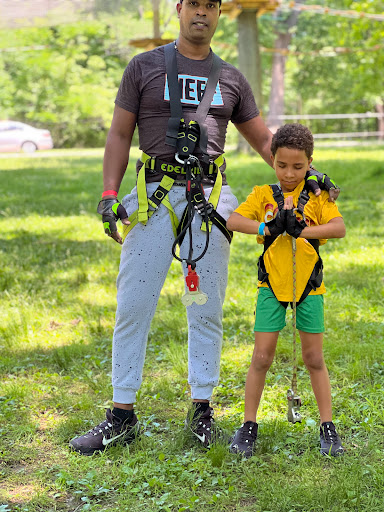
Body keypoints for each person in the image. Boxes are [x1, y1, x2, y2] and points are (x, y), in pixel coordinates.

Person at [69, 1, 338, 456]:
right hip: (152, 194)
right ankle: (121, 414)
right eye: (194, 3)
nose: (202, 12)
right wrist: (110, 194)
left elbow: (264, 141)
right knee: (134, 303)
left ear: (217, 14)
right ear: (179, 8)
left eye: (211, 5)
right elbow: (118, 134)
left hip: (210, 201)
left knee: (206, 309)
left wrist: (310, 172)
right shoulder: (144, 67)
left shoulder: (231, 78)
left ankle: (202, 410)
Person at [227, 123, 346, 458]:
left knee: (313, 358)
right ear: (272, 159)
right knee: (261, 357)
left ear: (310, 163)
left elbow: (339, 228)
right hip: (271, 286)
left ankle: (328, 427)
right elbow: (234, 221)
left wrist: (304, 232)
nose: (289, 173)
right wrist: (268, 226)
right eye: (281, 165)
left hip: (309, 287)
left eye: (298, 166)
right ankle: (248, 426)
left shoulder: (318, 198)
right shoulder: (264, 195)